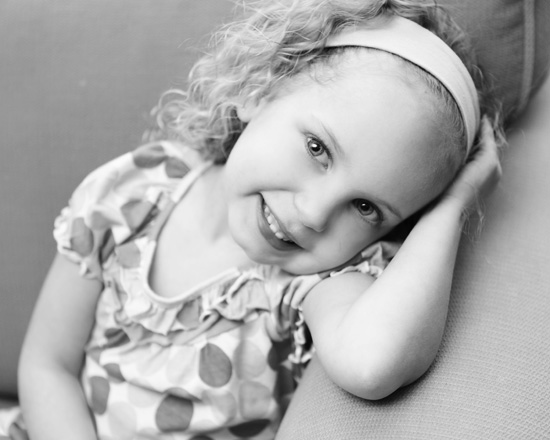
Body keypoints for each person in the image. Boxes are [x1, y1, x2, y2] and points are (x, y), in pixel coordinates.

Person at [0, 0, 503, 438]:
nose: (313, 214)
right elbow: (48, 366)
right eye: (317, 149)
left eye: (366, 208)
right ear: (259, 89)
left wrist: (453, 206)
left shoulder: (315, 284)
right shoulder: (133, 193)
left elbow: (372, 365)